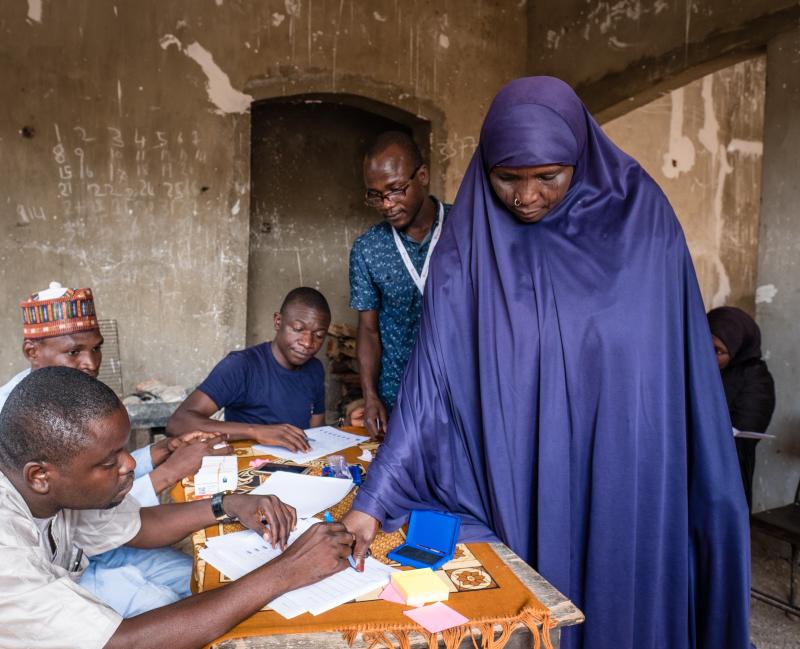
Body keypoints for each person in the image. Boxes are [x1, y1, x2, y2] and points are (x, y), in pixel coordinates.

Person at [342, 77, 751, 649]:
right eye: (506, 177)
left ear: (579, 158)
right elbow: (431, 383)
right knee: (525, 613)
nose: (526, 197)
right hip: (514, 478)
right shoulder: (468, 246)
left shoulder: (642, 222)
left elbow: (669, 367)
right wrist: (374, 500)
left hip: (619, 466)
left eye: (547, 178)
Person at [0, 367, 354, 649]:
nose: (130, 467)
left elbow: (140, 525)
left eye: (124, 449)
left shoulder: (37, 476)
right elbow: (123, 645)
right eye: (109, 461)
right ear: (42, 475)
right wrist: (284, 572)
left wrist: (226, 503)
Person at [0, 282, 230, 616]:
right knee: (162, 608)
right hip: (48, 564)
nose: (90, 362)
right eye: (74, 352)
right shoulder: (11, 419)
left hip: (90, 541)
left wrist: (164, 450)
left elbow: (98, 470)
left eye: (96, 349)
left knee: (201, 578)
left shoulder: (73, 397)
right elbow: (89, 496)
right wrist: (170, 473)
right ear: (32, 351)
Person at [349, 131, 451, 438]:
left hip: (460, 393)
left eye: (395, 190)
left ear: (422, 176)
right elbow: (368, 330)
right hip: (398, 399)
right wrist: (370, 396)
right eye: (375, 195)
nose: (386, 204)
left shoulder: (466, 230)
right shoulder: (368, 249)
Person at [166, 287, 330, 451]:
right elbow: (178, 422)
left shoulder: (314, 369)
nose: (308, 342)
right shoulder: (241, 365)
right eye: (298, 329)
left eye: (319, 335)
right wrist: (256, 431)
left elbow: (316, 430)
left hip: (299, 465)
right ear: (278, 322)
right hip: (247, 468)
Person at [708, 306, 776, 510]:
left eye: (718, 351)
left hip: (726, 474)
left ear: (738, 348)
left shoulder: (756, 379)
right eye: (703, 347)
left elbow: (747, 429)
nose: (708, 357)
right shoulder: (693, 371)